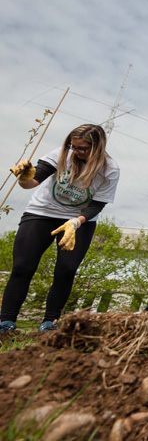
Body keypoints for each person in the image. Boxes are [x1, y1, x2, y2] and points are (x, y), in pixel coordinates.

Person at [1, 124, 119, 334]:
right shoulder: (60, 155)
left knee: (66, 270)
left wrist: (76, 222)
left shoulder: (110, 170)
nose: (77, 152)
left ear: (97, 148)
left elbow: (96, 205)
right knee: (22, 267)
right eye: (73, 146)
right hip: (42, 212)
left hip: (79, 220)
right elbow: (32, 182)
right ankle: (6, 322)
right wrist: (24, 177)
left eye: (82, 148)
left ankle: (50, 322)